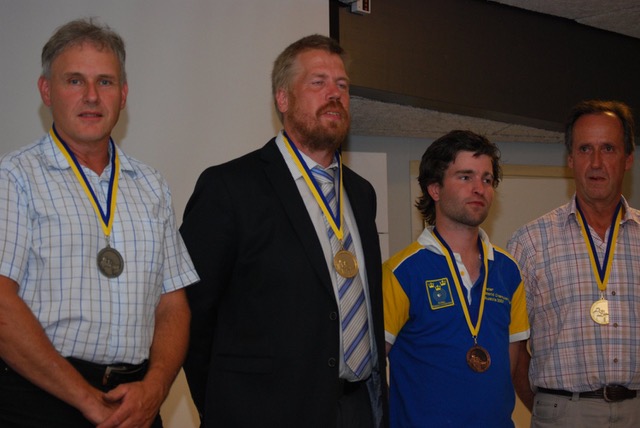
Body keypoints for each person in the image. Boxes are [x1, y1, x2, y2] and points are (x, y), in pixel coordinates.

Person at [180, 34, 387, 428]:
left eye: (342, 85)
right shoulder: (230, 187)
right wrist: (225, 405)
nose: (334, 94)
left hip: (358, 407)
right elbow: (192, 313)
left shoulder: (361, 194)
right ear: (283, 99)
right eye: (318, 82)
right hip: (263, 412)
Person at [0, 19, 199, 428]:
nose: (91, 96)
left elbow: (173, 305)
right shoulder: (15, 178)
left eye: (105, 82)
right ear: (46, 91)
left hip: (136, 402)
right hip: (38, 402)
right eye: (75, 80)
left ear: (123, 95)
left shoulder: (151, 185)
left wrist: (156, 387)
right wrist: (85, 398)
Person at [383, 130, 530, 427]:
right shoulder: (402, 272)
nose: (479, 189)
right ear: (435, 189)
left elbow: (509, 368)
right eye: (465, 177)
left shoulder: (508, 270)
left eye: (487, 179)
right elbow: (369, 373)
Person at [507, 100, 640, 427]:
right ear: (570, 160)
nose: (596, 162)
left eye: (608, 148)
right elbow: (514, 346)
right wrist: (550, 407)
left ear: (628, 159)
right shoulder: (529, 243)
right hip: (564, 412)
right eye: (584, 149)